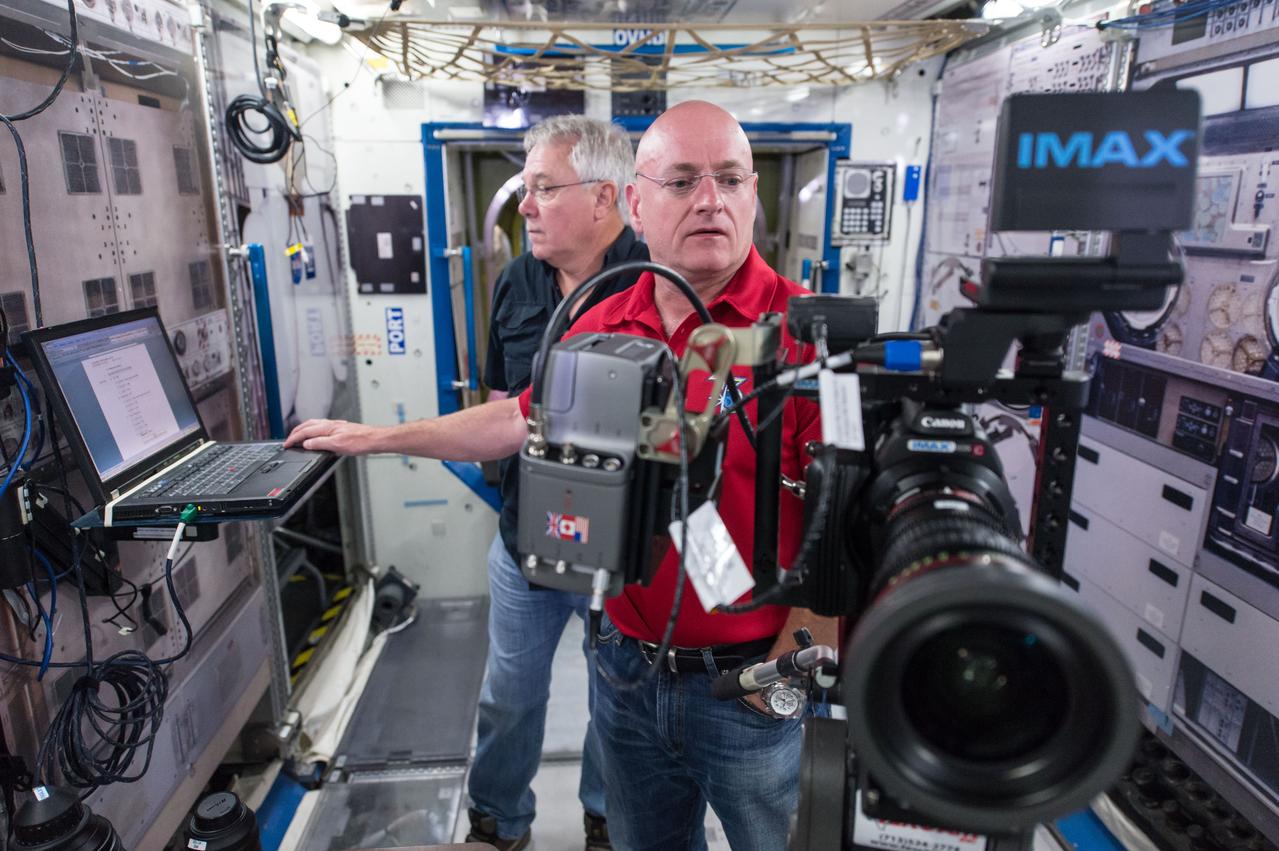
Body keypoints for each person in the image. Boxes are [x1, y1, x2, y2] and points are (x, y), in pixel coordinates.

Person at [287, 100, 836, 851]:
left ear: (752, 196)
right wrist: (382, 435)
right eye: (681, 181)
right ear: (637, 204)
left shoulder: (807, 331)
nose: (709, 199)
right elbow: (518, 417)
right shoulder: (601, 316)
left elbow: (845, 511)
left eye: (730, 179)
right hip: (627, 669)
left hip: (745, 683)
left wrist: (802, 650)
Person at [290, 115, 647, 851]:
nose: (525, 206)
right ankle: (497, 825)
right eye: (526, 188)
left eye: (543, 188)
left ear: (604, 198)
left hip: (622, 555)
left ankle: (606, 820)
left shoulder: (657, 281)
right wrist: (391, 442)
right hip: (524, 539)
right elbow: (498, 405)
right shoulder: (515, 280)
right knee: (509, 696)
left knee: (621, 705)